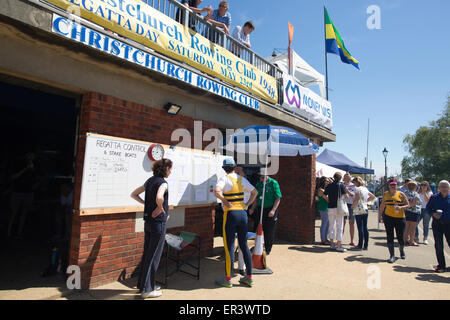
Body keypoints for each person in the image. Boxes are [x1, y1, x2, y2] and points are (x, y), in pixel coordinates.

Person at [131, 158, 173, 299]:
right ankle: (147, 290)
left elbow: (134, 194)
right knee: (154, 255)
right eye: (170, 168)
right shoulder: (163, 183)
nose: (171, 171)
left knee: (147, 253)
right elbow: (159, 197)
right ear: (165, 169)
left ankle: (143, 285)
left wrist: (146, 204)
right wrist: (160, 208)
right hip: (158, 224)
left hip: (148, 222)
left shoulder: (149, 181)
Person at [214, 158, 258, 287]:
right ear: (234, 167)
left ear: (224, 168)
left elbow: (216, 191)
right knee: (244, 246)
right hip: (242, 214)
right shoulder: (242, 179)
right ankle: (249, 277)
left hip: (230, 214)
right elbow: (255, 192)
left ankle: (228, 279)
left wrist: (225, 201)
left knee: (229, 247)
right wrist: (247, 205)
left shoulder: (224, 179)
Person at [7, 152, 39, 239]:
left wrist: (35, 184)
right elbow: (13, 177)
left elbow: (39, 178)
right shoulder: (19, 164)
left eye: (33, 155)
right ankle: (8, 232)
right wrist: (25, 169)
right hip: (17, 192)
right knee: (13, 212)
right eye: (30, 155)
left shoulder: (36, 166)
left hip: (28, 193)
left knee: (24, 213)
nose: (31, 157)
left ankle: (19, 233)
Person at [249, 173, 282, 255]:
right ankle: (257, 246)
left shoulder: (273, 183)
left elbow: (278, 198)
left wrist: (273, 210)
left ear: (266, 176)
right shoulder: (259, 184)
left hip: (270, 209)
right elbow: (256, 198)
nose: (261, 179)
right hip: (260, 208)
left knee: (269, 230)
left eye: (262, 177)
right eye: (260, 178)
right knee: (257, 228)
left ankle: (267, 249)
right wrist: (252, 208)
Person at [379, 179, 410, 263]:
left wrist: (401, 207)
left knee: (400, 237)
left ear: (397, 186)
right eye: (391, 185)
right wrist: (380, 216)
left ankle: (401, 250)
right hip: (388, 217)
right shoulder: (386, 194)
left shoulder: (401, 194)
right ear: (389, 186)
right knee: (390, 236)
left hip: (400, 218)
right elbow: (382, 205)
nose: (393, 186)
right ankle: (392, 255)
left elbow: (408, 205)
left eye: (394, 185)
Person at [426, 180, 450, 273]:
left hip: (449, 224)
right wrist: (433, 213)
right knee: (439, 245)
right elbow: (428, 209)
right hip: (437, 224)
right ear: (439, 188)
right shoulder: (434, 197)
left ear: (448, 188)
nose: (444, 188)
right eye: (442, 186)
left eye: (445, 187)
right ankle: (441, 266)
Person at [320, 172, 348, 252]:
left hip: (330, 207)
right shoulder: (341, 185)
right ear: (340, 178)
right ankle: (339, 245)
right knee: (340, 226)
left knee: (331, 225)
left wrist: (328, 200)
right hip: (339, 208)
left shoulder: (329, 185)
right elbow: (346, 196)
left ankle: (332, 243)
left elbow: (324, 195)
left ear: (334, 177)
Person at [351, 177, 375, 250]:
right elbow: (373, 196)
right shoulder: (365, 188)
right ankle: (366, 245)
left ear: (356, 182)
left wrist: (352, 207)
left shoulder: (357, 189)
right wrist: (366, 201)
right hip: (365, 208)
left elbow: (357, 198)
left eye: (354, 182)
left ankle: (360, 244)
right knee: (365, 227)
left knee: (360, 227)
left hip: (358, 209)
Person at [403, 180, 422, 246]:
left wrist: (405, 207)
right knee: (412, 228)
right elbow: (414, 203)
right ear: (415, 187)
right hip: (415, 212)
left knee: (406, 226)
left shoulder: (404, 193)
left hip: (406, 211)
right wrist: (409, 206)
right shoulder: (416, 194)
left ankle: (405, 240)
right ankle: (411, 241)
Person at [342, 173, 356, 246]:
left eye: (349, 178)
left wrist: (347, 191)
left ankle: (352, 240)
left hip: (351, 205)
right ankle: (340, 240)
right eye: (346, 178)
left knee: (351, 223)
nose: (347, 180)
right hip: (343, 204)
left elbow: (353, 195)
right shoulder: (341, 185)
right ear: (343, 178)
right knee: (342, 222)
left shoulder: (353, 186)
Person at [315, 176, 330, 245]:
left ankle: (326, 238)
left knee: (327, 224)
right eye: (326, 181)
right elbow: (327, 199)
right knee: (324, 223)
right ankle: (323, 239)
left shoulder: (326, 189)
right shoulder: (321, 190)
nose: (328, 182)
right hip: (323, 208)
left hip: (327, 208)